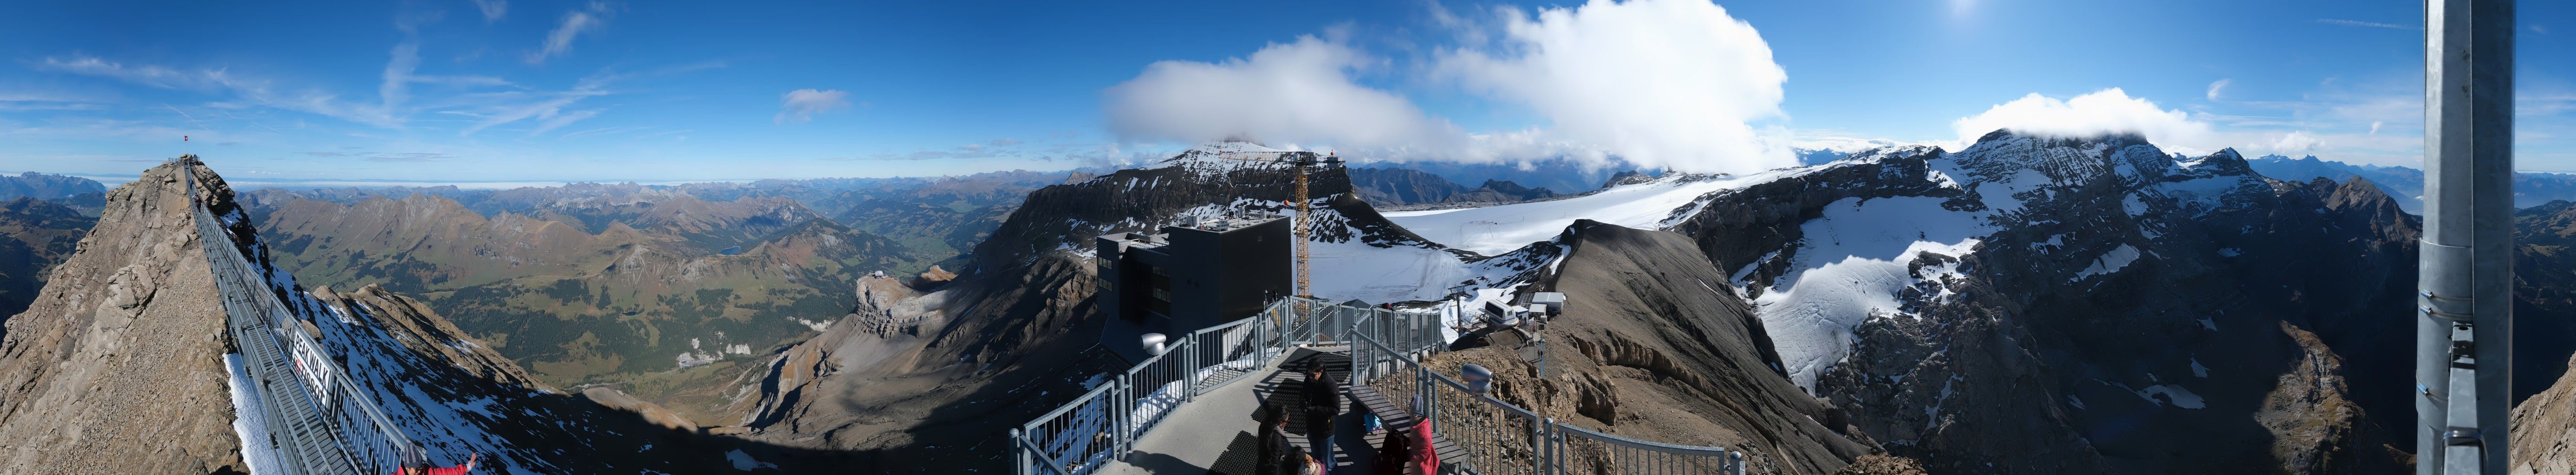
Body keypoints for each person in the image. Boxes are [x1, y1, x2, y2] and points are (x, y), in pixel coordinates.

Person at [391, 446, 478, 475]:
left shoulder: (427, 472)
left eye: (420, 467)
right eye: (416, 469)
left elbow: (445, 473)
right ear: (407, 468)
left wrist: (465, 469)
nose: (419, 471)